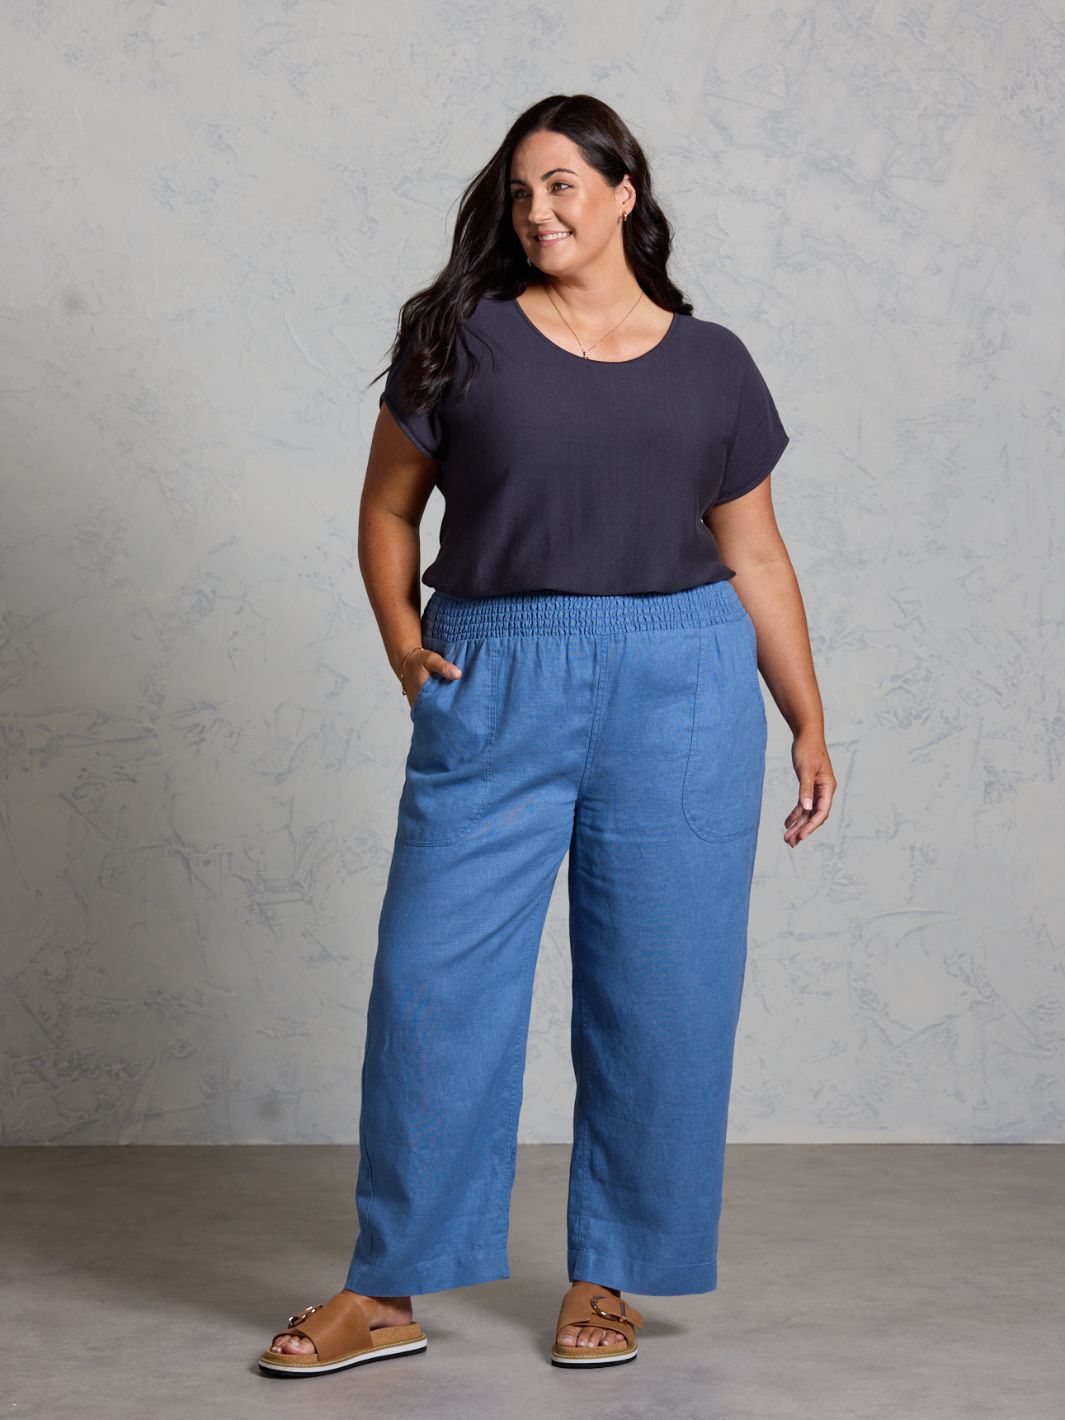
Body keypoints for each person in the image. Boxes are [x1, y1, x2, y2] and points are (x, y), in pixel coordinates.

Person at [259, 92, 835, 1378]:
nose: (538, 211)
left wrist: (806, 716)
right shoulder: (462, 341)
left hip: (686, 684)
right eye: (521, 192)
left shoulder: (715, 363)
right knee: (433, 984)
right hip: (499, 674)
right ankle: (385, 1288)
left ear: (625, 193)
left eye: (564, 184)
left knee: (665, 992)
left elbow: (756, 554)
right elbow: (388, 509)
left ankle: (610, 1275)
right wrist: (401, 641)